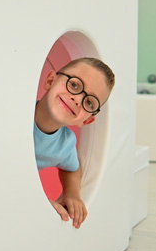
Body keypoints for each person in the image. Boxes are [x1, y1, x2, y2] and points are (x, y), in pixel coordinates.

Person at [33, 57, 114, 229]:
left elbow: (72, 168)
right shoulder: (16, 113)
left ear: (86, 120)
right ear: (50, 80)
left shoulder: (65, 143)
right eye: (75, 85)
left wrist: (72, 193)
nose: (77, 99)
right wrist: (35, 201)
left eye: (89, 102)